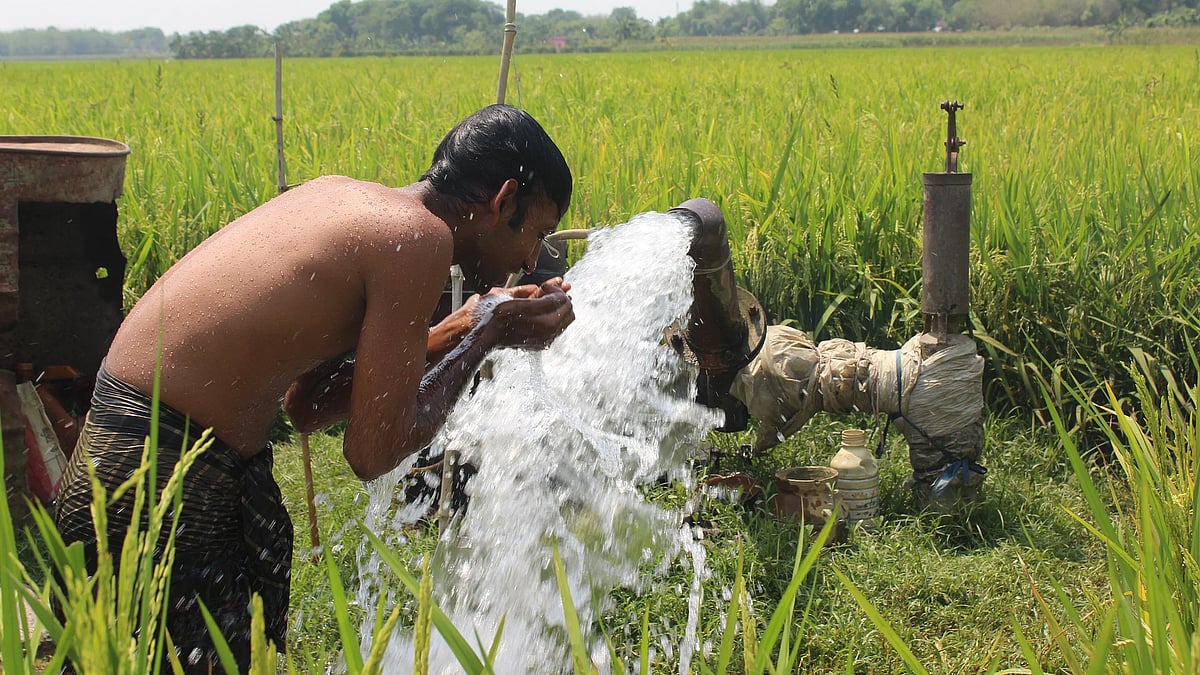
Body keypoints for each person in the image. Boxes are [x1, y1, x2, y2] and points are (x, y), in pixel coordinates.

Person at [53, 104, 575, 672]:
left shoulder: (348, 199)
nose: (528, 260)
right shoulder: (417, 238)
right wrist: (486, 332)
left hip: (127, 444)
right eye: (538, 234)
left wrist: (453, 332)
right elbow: (373, 451)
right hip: (158, 466)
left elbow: (304, 406)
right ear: (502, 202)